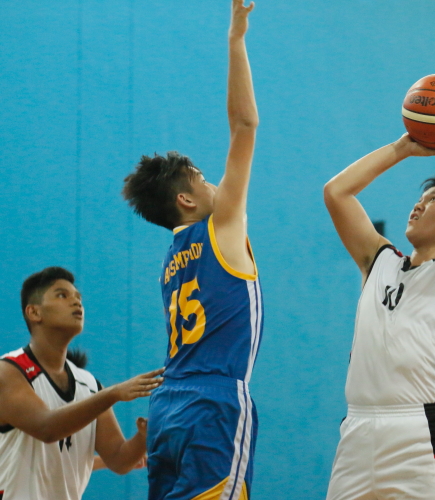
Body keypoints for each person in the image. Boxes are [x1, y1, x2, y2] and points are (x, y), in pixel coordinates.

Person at [122, 1, 260, 498]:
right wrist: (236, 40)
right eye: (203, 177)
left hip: (167, 407)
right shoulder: (220, 227)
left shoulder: (170, 262)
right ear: (185, 199)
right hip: (214, 402)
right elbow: (245, 127)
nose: (215, 182)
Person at [322, 94, 435, 500]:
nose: (419, 204)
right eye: (421, 197)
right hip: (357, 429)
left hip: (421, 434)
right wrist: (401, 149)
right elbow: (337, 192)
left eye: (433, 201)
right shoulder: (379, 261)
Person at [0, 267, 164, 500]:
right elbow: (46, 428)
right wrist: (113, 394)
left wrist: (145, 436)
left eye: (78, 298)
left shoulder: (87, 384)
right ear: (34, 312)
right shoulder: (8, 372)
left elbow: (119, 459)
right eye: (62, 295)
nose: (76, 303)